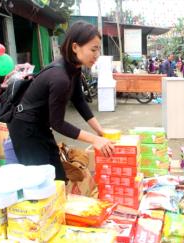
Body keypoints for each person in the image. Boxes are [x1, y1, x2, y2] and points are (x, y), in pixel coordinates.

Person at [7, 21, 114, 181]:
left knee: (59, 178)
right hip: (25, 128)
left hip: (41, 125)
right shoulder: (60, 78)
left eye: (98, 49)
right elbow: (57, 123)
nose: (97, 54)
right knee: (40, 183)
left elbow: (79, 100)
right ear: (75, 47)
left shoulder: (74, 68)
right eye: (93, 49)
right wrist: (95, 139)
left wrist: (100, 131)